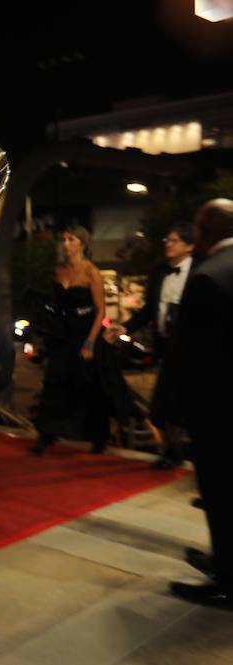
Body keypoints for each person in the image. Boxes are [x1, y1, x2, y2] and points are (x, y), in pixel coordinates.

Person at [168, 198, 233, 610]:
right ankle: (221, 562)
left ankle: (227, 580)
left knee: (221, 495)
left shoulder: (207, 276)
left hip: (219, 412)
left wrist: (172, 413)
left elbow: (191, 357)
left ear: (205, 231)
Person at [32, 226, 138, 455]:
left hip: (86, 330)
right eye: (64, 239)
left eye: (71, 239)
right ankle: (47, 434)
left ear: (83, 244)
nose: (66, 244)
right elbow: (54, 305)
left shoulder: (92, 271)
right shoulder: (58, 271)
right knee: (55, 380)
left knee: (88, 384)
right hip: (63, 331)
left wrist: (90, 342)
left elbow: (101, 311)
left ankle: (98, 437)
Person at [118, 225, 197, 468]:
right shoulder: (159, 272)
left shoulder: (200, 269)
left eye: (173, 240)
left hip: (194, 350)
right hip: (167, 348)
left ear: (189, 246)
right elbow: (149, 310)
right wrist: (125, 327)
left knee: (196, 404)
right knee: (164, 404)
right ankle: (172, 453)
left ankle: (202, 458)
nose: (168, 244)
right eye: (167, 239)